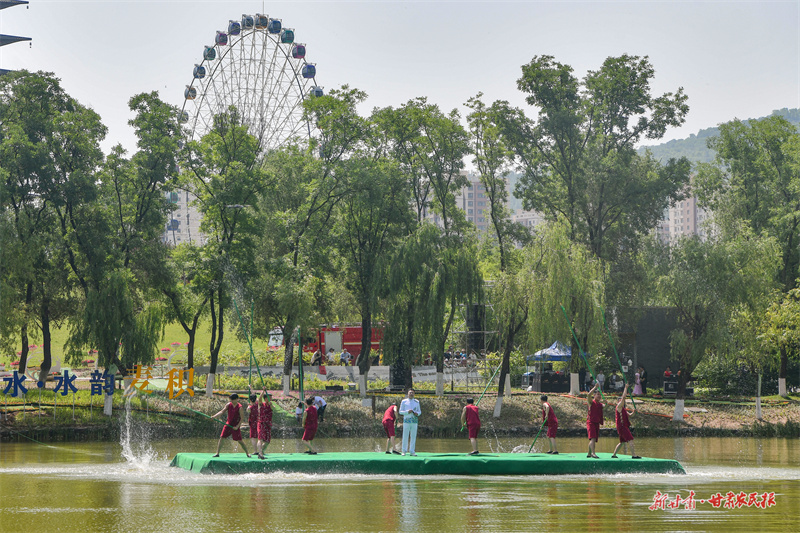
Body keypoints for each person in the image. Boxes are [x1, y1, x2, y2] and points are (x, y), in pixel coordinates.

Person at [212, 393, 250, 457]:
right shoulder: (228, 405)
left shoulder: (240, 407)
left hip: (235, 426)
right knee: (222, 437)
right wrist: (214, 416)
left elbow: (242, 418)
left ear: (237, 399)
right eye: (231, 399)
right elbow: (222, 411)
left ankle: (247, 453)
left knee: (240, 441)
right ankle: (217, 453)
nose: (231, 401)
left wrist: (237, 427)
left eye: (233, 399)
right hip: (228, 424)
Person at [612, 383, 640, 459]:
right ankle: (634, 455)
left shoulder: (623, 409)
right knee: (630, 439)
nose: (621, 401)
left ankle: (614, 455)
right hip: (622, 427)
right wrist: (626, 388)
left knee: (622, 442)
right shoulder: (619, 407)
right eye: (620, 400)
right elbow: (624, 397)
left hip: (622, 427)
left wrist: (633, 412)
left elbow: (630, 415)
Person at [399, 389, 421, 456]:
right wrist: (407, 412)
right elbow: (400, 412)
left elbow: (419, 411)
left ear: (414, 394)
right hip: (406, 421)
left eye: (412, 393)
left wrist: (417, 413)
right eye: (410, 393)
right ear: (408, 394)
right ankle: (404, 451)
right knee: (405, 436)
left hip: (414, 421)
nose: (411, 394)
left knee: (413, 436)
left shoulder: (417, 402)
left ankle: (412, 451)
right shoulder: (404, 401)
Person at [586, 382, 603, 458]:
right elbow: (588, 395)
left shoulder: (599, 404)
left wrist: (605, 404)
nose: (599, 396)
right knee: (593, 438)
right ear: (594, 395)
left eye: (600, 395)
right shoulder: (591, 402)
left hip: (597, 423)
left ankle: (589, 453)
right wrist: (595, 387)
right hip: (591, 422)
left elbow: (603, 406)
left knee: (594, 438)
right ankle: (593, 453)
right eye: (597, 394)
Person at [256, 390, 273, 460]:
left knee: (267, 441)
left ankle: (261, 452)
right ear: (265, 398)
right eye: (269, 397)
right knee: (260, 439)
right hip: (261, 423)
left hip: (268, 425)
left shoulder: (271, 405)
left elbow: (272, 408)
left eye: (271, 398)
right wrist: (263, 391)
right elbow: (259, 399)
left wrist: (271, 405)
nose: (271, 399)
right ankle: (260, 453)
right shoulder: (261, 404)